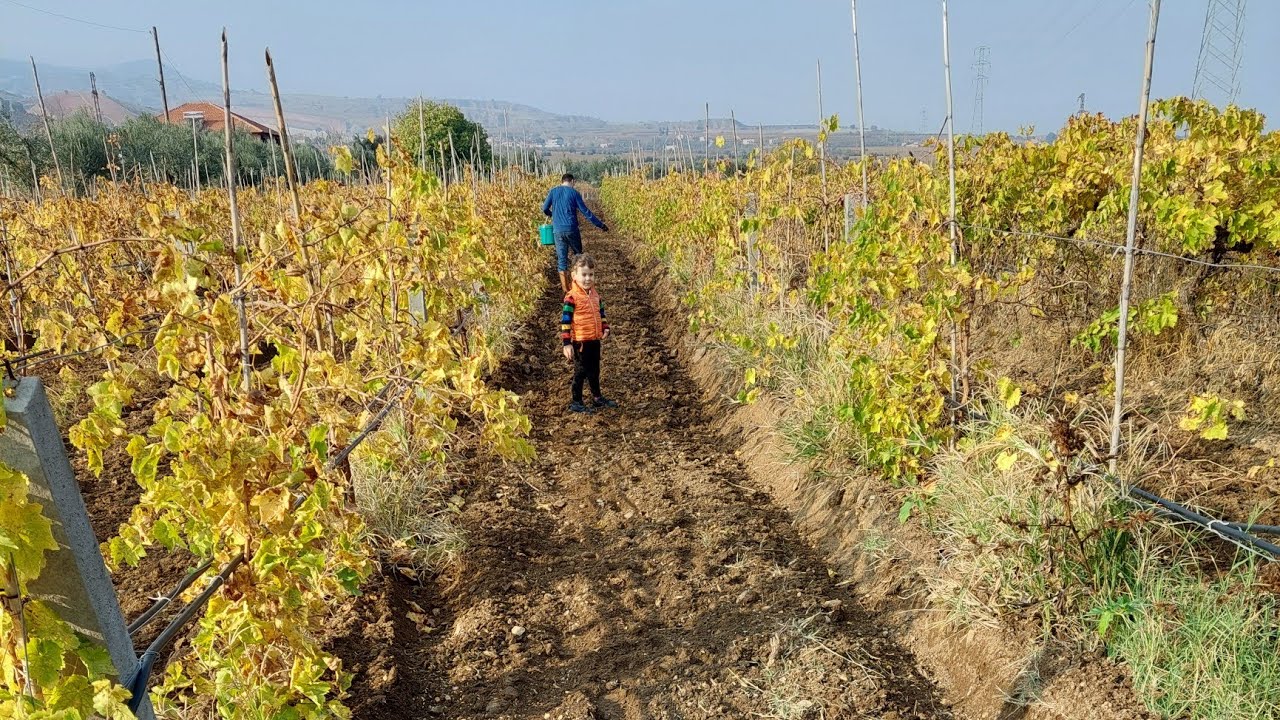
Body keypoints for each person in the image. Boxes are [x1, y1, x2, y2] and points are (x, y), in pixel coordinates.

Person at [560, 254, 618, 413]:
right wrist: (567, 344)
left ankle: (597, 397)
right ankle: (576, 401)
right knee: (581, 371)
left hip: (594, 339)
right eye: (584, 275)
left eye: (591, 275)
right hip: (580, 342)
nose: (588, 278)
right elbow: (565, 322)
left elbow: (601, 313)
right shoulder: (571, 298)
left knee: (595, 370)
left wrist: (605, 327)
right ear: (574, 276)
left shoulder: (595, 295)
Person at [542, 173, 608, 294]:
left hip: (557, 230)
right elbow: (586, 212)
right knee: (579, 257)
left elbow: (544, 208)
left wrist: (553, 215)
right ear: (572, 181)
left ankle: (566, 291)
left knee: (562, 260)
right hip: (572, 229)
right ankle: (580, 287)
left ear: (562, 181)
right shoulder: (574, 193)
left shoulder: (553, 192)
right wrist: (600, 225)